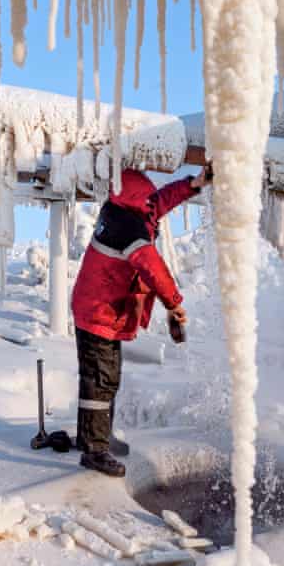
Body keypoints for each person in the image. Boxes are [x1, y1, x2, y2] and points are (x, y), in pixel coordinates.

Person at [70, 165, 212, 477]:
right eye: (146, 198)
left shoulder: (126, 209)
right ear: (136, 197)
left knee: (106, 377)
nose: (152, 203)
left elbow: (161, 201)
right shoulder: (126, 228)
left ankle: (94, 437)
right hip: (98, 312)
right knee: (100, 380)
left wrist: (194, 184)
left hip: (102, 310)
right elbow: (152, 267)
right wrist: (175, 304)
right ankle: (94, 450)